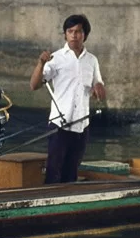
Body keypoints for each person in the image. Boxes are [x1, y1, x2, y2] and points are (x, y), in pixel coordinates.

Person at [29, 14, 106, 184]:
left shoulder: (92, 60)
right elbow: (34, 85)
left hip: (81, 125)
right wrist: (41, 64)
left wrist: (98, 89)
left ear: (84, 35)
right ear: (65, 34)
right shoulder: (56, 59)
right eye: (70, 31)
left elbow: (98, 86)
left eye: (78, 31)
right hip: (59, 124)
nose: (74, 35)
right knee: (53, 171)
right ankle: (49, 205)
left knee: (71, 172)